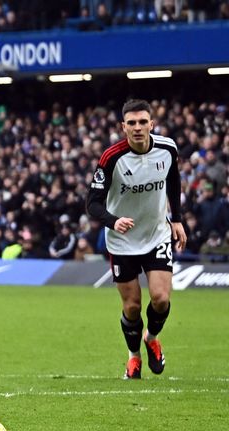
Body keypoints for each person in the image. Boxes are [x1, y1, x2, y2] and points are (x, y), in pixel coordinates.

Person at [86, 98, 186, 380]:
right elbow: (92, 203)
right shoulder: (111, 158)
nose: (138, 127)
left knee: (161, 298)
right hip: (122, 241)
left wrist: (176, 218)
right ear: (123, 127)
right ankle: (133, 358)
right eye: (132, 123)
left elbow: (174, 180)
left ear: (151, 124)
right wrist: (113, 221)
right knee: (131, 306)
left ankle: (151, 337)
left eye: (143, 122)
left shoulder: (167, 148)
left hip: (156, 235)